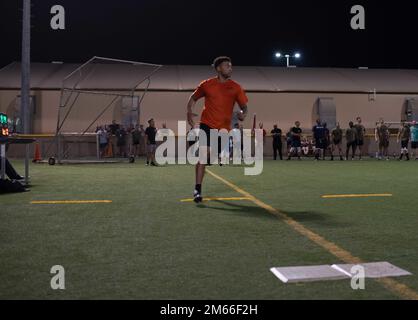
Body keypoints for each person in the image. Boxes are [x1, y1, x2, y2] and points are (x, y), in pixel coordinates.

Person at [187, 56, 249, 203]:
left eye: (231, 66)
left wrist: (243, 114)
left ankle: (203, 157)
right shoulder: (207, 84)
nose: (230, 68)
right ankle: (197, 189)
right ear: (218, 68)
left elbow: (244, 107)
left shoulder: (236, 87)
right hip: (206, 124)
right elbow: (193, 98)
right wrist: (189, 111)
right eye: (227, 66)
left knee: (211, 157)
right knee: (204, 155)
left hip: (223, 129)